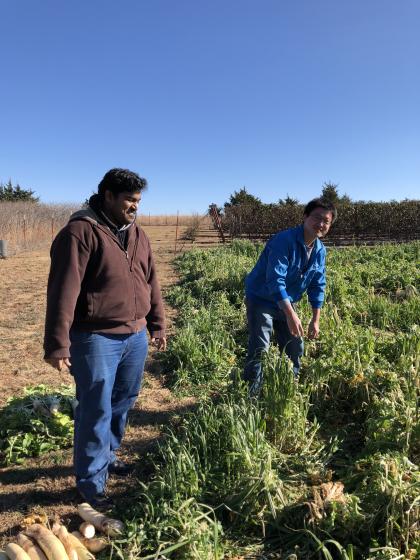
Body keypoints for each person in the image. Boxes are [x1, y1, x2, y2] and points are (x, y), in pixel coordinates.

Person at [44, 168, 166, 508]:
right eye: (129, 199)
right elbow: (63, 291)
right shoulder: (79, 233)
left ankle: (108, 455)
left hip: (135, 334)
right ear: (108, 196)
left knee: (123, 401)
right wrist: (57, 343)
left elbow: (150, 279)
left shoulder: (137, 234)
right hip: (94, 336)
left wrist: (157, 323)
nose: (134, 206)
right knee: (95, 408)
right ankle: (91, 482)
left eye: (138, 201)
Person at [243, 197, 337, 393]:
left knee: (295, 346)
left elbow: (318, 284)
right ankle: (251, 394)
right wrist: (290, 314)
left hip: (287, 300)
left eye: (326, 221)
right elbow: (275, 280)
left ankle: (288, 388)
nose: (320, 224)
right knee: (260, 346)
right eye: (316, 217)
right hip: (262, 297)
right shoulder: (284, 240)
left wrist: (315, 319)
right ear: (305, 217)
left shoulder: (319, 250)